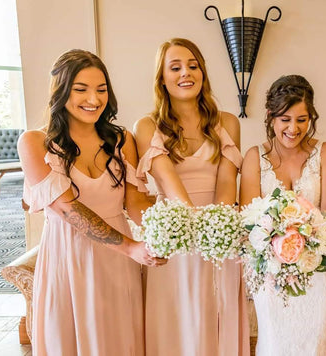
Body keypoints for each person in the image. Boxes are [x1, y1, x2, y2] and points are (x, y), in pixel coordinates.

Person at [17, 49, 165, 355]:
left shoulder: (121, 139)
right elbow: (68, 209)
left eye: (101, 89)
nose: (94, 99)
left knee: (121, 339)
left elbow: (135, 201)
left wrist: (163, 232)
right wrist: (130, 247)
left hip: (118, 263)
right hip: (68, 257)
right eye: (81, 89)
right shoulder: (34, 142)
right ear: (60, 91)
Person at [134, 38, 249, 356]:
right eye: (175, 67)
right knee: (179, 324)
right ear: (162, 78)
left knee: (217, 318)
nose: (186, 73)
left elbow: (228, 182)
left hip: (219, 236)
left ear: (203, 72)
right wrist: (198, 230)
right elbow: (171, 186)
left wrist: (219, 229)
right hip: (175, 237)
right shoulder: (147, 126)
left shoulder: (227, 122)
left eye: (193, 65)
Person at [240, 74, 326, 355]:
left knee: (316, 342)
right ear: (271, 117)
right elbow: (250, 216)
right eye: (285, 118)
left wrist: (302, 235)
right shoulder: (253, 158)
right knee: (275, 342)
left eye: (302, 119)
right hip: (271, 273)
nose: (293, 128)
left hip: (318, 267)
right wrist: (278, 244)